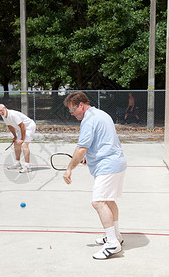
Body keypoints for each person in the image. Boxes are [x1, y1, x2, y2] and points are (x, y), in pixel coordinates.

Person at [63, 92, 126, 260]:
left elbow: (81, 148)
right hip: (117, 163)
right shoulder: (101, 114)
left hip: (108, 166)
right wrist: (89, 158)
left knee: (98, 202)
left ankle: (112, 243)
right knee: (108, 200)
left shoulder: (88, 120)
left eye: (72, 110)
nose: (72, 114)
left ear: (81, 106)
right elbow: (101, 141)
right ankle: (116, 235)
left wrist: (69, 168)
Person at [0, 104, 36, 173]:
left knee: (24, 145)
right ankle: (18, 163)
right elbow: (10, 126)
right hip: (22, 129)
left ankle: (27, 167)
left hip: (29, 126)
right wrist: (15, 136)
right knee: (16, 144)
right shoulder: (3, 116)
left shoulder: (13, 114)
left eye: (1, 111)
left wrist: (22, 139)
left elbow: (22, 125)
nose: (0, 113)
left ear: (5, 108)